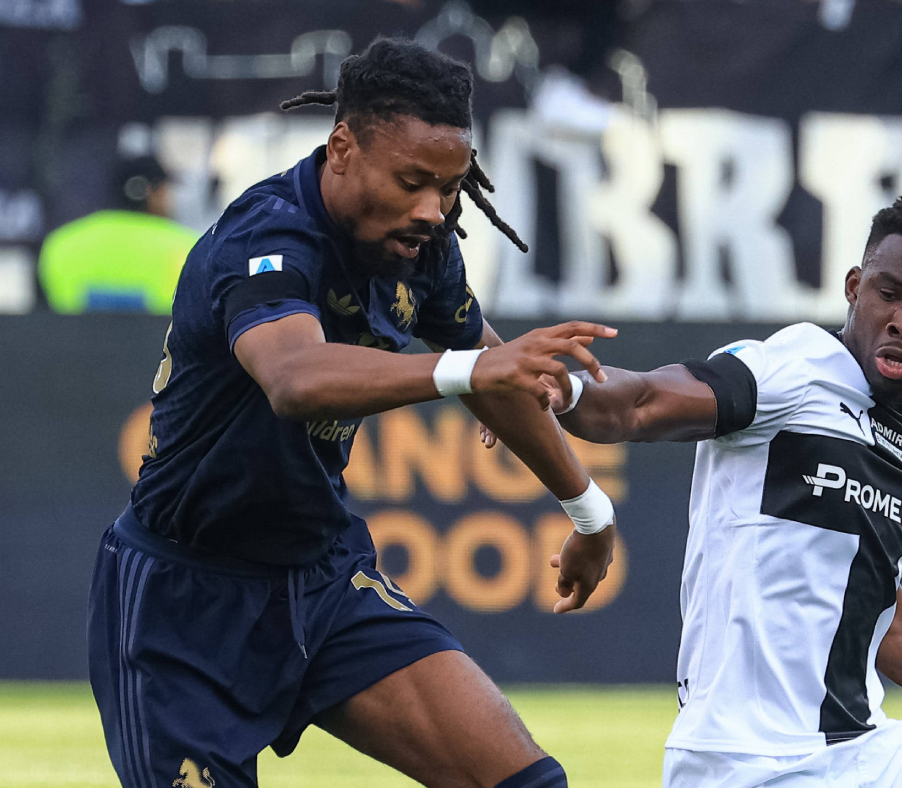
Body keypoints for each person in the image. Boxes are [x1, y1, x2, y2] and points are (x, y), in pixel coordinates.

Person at [88, 38, 618, 788]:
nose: (432, 210)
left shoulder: (423, 246)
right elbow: (294, 378)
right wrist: (468, 369)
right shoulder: (266, 234)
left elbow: (499, 378)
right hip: (186, 600)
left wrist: (590, 513)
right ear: (342, 147)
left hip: (324, 581)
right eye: (412, 182)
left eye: (450, 187)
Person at [550, 195, 902, 788]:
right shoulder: (789, 372)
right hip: (745, 762)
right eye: (889, 293)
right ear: (854, 288)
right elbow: (637, 403)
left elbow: (875, 613)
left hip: (865, 751)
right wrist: (565, 390)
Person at [38, 155, 200, 313]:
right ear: (152, 194)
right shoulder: (190, 248)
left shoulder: (61, 243)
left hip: (75, 332)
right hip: (162, 332)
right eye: (166, 191)